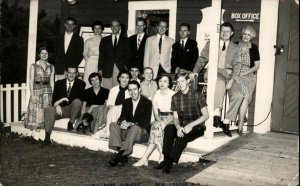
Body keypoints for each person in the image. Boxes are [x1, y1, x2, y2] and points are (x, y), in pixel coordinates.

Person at [190, 22, 240, 137]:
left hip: (229, 76)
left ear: (232, 33)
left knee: (239, 95)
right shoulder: (211, 43)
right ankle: (216, 114)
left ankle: (226, 122)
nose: (224, 33)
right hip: (215, 72)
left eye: (227, 31)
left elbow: (237, 65)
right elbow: (202, 59)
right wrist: (195, 71)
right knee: (220, 82)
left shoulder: (235, 47)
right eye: (222, 31)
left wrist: (232, 80)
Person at [154, 72, 209, 173]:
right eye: (178, 82)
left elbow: (206, 115)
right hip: (182, 125)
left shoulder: (198, 95)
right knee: (169, 129)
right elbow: (175, 118)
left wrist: (191, 125)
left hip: (197, 126)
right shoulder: (175, 97)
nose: (180, 84)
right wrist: (178, 126)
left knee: (182, 135)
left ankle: (169, 162)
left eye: (182, 81)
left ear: (188, 81)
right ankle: (166, 159)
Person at [223, 26, 260, 136]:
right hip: (236, 74)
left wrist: (245, 73)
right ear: (241, 34)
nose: (246, 36)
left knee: (246, 98)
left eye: (249, 35)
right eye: (245, 34)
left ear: (252, 36)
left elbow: (257, 66)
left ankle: (240, 125)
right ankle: (238, 122)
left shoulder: (253, 48)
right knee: (241, 96)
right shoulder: (234, 45)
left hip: (249, 76)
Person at [133, 75, 175, 167]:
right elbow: (156, 115)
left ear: (169, 83)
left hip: (173, 119)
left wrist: (166, 123)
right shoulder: (155, 96)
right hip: (160, 119)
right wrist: (161, 122)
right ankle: (160, 155)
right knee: (156, 127)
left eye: (165, 81)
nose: (162, 83)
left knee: (155, 130)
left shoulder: (173, 95)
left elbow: (175, 114)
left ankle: (145, 158)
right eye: (160, 81)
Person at [107, 80, 152, 167]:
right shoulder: (126, 102)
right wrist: (122, 122)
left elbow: (145, 122)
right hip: (129, 133)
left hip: (141, 133)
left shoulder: (147, 102)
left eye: (134, 89)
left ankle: (117, 157)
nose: (132, 92)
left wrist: (130, 124)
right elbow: (122, 117)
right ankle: (123, 154)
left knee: (135, 127)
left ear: (139, 90)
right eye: (130, 90)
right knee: (113, 124)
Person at [44, 67, 86, 144]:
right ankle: (47, 135)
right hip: (62, 110)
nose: (71, 75)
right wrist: (57, 105)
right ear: (66, 73)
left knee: (77, 101)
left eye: (74, 73)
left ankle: (70, 123)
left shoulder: (81, 84)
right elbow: (54, 99)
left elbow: (78, 98)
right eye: (70, 72)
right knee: (50, 109)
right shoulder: (58, 83)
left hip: (74, 110)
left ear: (76, 74)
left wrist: (62, 100)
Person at [92, 70, 131, 138]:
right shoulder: (113, 89)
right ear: (119, 78)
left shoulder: (131, 90)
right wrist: (115, 109)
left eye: (127, 78)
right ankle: (108, 132)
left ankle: (107, 132)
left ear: (129, 79)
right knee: (112, 110)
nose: (124, 80)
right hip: (112, 111)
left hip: (125, 112)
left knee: (116, 109)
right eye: (122, 77)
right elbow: (109, 104)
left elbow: (129, 106)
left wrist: (118, 108)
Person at [25, 47, 55, 130]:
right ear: (39, 54)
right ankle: (34, 129)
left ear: (48, 55)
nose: (44, 55)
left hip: (47, 91)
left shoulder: (51, 66)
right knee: (37, 109)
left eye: (46, 53)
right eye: (42, 53)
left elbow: (52, 81)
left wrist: (53, 94)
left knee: (46, 109)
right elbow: (31, 82)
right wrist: (32, 95)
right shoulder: (34, 66)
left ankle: (45, 126)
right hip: (37, 90)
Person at [98, 19, 130, 90]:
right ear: (110, 27)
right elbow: (101, 55)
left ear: (119, 27)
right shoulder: (104, 40)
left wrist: (125, 66)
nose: (114, 28)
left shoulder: (126, 40)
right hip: (106, 68)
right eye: (112, 26)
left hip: (120, 68)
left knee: (118, 89)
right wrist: (100, 69)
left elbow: (128, 55)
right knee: (106, 89)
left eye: (116, 26)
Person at [54, 17, 84, 81]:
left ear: (74, 26)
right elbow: (55, 52)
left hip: (72, 70)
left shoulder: (79, 39)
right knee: (60, 88)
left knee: (71, 89)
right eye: (68, 24)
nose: (69, 26)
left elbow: (80, 55)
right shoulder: (58, 38)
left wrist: (72, 67)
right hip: (60, 69)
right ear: (65, 25)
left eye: (72, 24)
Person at [83, 21, 104, 88]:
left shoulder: (105, 41)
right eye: (95, 28)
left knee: (100, 80)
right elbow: (85, 53)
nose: (97, 30)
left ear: (102, 29)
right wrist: (89, 61)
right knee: (89, 79)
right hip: (90, 63)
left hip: (101, 63)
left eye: (99, 28)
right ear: (93, 29)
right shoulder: (88, 41)